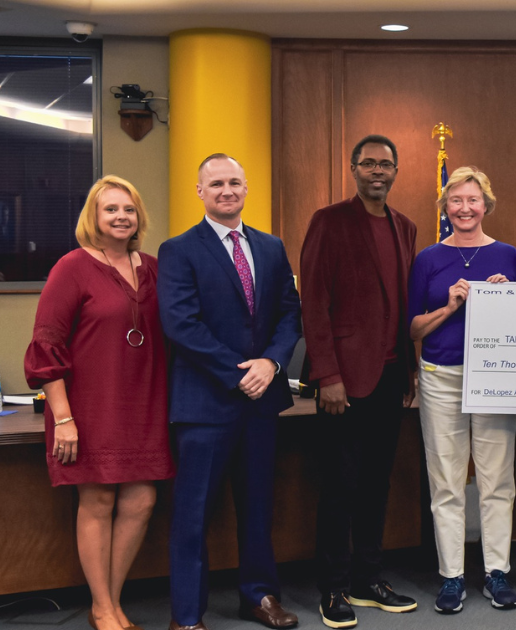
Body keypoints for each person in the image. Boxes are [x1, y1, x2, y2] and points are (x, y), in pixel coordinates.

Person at [159, 154, 302, 630]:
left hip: (261, 403)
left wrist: (272, 363)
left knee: (259, 507)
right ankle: (186, 616)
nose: (226, 190)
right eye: (216, 183)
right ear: (199, 191)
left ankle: (259, 597)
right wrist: (239, 371)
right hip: (205, 403)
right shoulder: (179, 250)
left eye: (235, 182)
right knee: (193, 513)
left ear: (246, 188)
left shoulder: (271, 246)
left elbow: (289, 313)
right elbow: (180, 324)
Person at [25, 175, 175, 630]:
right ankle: (104, 608)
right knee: (98, 500)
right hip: (89, 407)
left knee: (142, 500)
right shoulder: (71, 267)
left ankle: (108, 600)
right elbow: (45, 346)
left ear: (138, 217)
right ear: (93, 216)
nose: (121, 217)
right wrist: (64, 418)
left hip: (145, 403)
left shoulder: (153, 267)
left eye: (128, 210)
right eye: (110, 209)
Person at [299, 134, 420, 628]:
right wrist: (327, 374)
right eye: (368, 163)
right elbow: (314, 304)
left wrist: (409, 368)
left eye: (385, 164)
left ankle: (369, 579)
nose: (377, 170)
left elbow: (402, 304)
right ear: (353, 168)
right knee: (340, 486)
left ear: (395, 172)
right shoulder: (329, 221)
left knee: (376, 484)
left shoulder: (405, 227)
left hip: (390, 377)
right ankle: (334, 588)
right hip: (344, 382)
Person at [408, 167, 516, 614]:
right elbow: (413, 327)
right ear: (446, 208)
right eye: (455, 200)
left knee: (498, 480)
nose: (464, 208)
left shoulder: (509, 256)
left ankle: (497, 572)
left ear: (486, 205)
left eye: (472, 200)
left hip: (496, 377)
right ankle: (452, 577)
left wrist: (507, 297)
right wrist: (450, 305)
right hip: (441, 376)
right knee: (447, 482)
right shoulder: (428, 259)